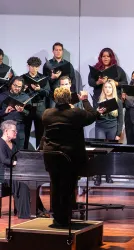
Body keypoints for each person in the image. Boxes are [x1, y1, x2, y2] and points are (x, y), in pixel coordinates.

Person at [41, 87, 99, 226]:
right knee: (68, 187)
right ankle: (65, 219)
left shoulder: (47, 114)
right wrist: (85, 100)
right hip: (69, 156)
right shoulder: (75, 113)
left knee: (55, 186)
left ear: (55, 98)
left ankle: (57, 218)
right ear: (69, 98)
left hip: (52, 155)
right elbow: (93, 115)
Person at [94, 79, 123, 186]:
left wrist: (118, 133)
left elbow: (120, 119)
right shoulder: (99, 100)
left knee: (109, 152)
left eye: (109, 87)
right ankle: (98, 176)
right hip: (100, 127)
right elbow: (94, 116)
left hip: (112, 127)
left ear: (113, 89)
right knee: (100, 151)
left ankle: (108, 175)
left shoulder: (118, 101)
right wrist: (98, 112)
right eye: (105, 87)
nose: (107, 89)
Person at [0, 120, 30, 218]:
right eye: (14, 131)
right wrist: (16, 163)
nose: (16, 132)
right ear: (6, 131)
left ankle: (33, 211)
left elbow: (18, 157)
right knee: (23, 183)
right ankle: (25, 213)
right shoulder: (0, 143)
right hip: (3, 174)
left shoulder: (14, 144)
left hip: (13, 173)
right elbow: (4, 160)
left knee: (29, 182)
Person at [22, 57, 50, 149]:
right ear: (28, 66)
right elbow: (17, 93)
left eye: (36, 67)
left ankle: (40, 155)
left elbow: (47, 93)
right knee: (25, 133)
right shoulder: (23, 78)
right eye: (32, 66)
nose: (34, 69)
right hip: (27, 107)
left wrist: (39, 89)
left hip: (40, 108)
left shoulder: (43, 78)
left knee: (41, 134)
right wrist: (23, 89)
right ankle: (23, 153)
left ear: (39, 67)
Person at [0, 77, 30, 149]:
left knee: (18, 154)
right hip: (4, 128)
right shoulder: (2, 96)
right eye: (15, 85)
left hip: (19, 128)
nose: (17, 88)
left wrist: (23, 110)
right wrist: (5, 111)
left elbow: (30, 114)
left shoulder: (25, 97)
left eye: (19, 87)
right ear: (11, 84)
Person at [43, 42, 76, 107]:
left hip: (66, 95)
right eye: (56, 50)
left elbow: (73, 80)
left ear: (62, 51)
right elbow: (44, 82)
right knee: (53, 114)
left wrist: (72, 94)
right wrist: (52, 78)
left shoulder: (68, 65)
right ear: (53, 51)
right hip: (53, 95)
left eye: (60, 50)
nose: (58, 52)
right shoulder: (47, 65)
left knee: (68, 114)